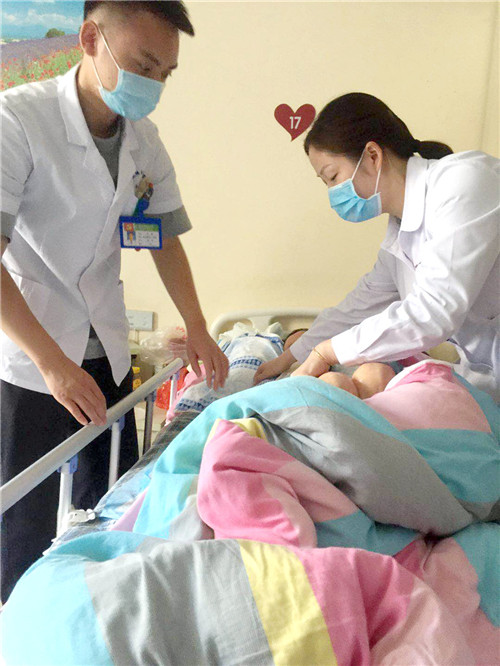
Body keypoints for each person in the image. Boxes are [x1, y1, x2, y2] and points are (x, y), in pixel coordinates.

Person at [0, 0, 229, 601]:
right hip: (33, 358)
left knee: (112, 503)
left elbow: (164, 239)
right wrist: (51, 364)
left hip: (107, 348)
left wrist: (198, 326)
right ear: (89, 38)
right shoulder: (17, 120)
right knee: (23, 521)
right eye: (143, 65)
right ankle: (21, 618)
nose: (153, 85)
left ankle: (101, 610)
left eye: (164, 74)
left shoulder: (143, 142)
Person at [254, 93, 499, 401]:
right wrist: (290, 357)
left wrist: (327, 351)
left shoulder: (464, 182)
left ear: (372, 156)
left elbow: (435, 310)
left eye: (333, 177)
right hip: (485, 382)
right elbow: (357, 307)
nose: (332, 194)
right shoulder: (400, 234)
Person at [282, 328, 395, 399]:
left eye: (303, 343)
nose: (300, 350)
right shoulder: (287, 375)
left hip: (375, 389)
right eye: (292, 348)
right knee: (334, 382)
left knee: (373, 371)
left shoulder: (346, 353)